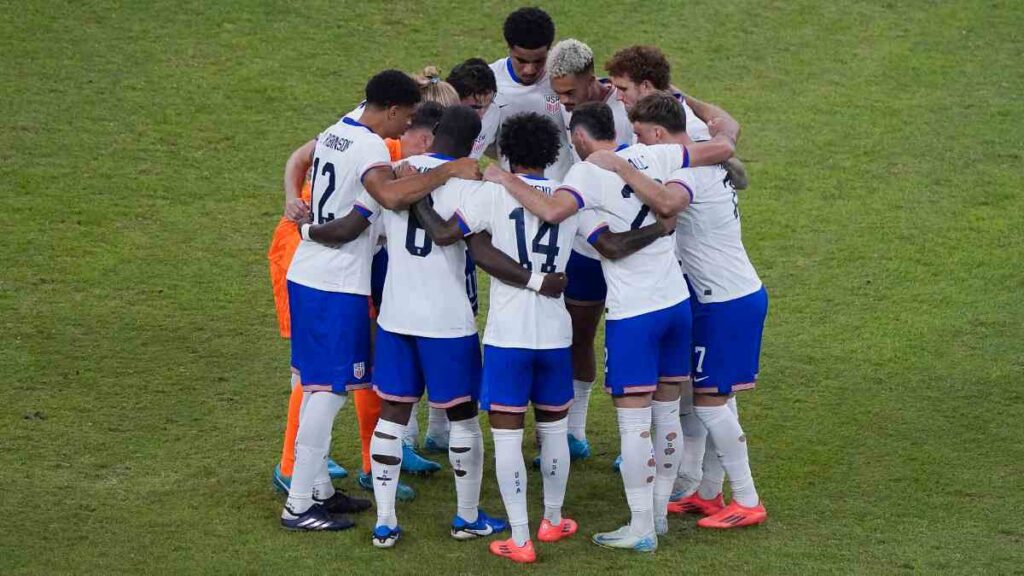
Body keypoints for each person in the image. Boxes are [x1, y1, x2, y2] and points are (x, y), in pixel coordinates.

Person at [483, 102, 738, 551]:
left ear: (579, 139)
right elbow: (720, 148)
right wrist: (661, 227)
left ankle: (641, 527)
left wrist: (505, 179)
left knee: (634, 424)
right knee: (666, 414)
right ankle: (659, 515)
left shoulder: (584, 175)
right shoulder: (655, 154)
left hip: (634, 315)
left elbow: (556, 213)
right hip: (676, 304)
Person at [279, 70, 479, 531]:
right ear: (391, 109)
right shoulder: (370, 147)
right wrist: (446, 169)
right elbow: (386, 198)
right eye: (406, 117)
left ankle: (319, 490)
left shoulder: (338, 129)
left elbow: (303, 161)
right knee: (327, 392)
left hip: (309, 276)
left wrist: (301, 220)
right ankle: (299, 505)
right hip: (335, 283)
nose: (406, 127)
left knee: (314, 385)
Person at [628, 92, 768, 528]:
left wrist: (619, 169)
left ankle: (748, 500)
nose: (637, 146)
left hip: (725, 302)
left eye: (639, 137)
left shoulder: (688, 172)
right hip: (722, 297)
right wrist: (679, 92)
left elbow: (667, 204)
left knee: (709, 404)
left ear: (657, 134)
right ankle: (709, 493)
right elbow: (727, 123)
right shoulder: (706, 151)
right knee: (714, 396)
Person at [544, 37, 635, 460]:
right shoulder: (559, 108)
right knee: (577, 335)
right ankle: (574, 432)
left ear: (590, 78)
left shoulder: (628, 111)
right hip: (583, 244)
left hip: (631, 248)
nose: (562, 101)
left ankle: (639, 438)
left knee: (631, 340)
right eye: (557, 93)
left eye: (569, 92)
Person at [604, 44, 749, 189]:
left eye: (623, 89)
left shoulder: (687, 126)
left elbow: (731, 170)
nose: (618, 97)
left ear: (646, 86)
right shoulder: (646, 114)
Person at [472, 7, 573, 179]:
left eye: (539, 61)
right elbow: (479, 138)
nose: (529, 70)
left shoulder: (565, 79)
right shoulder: (489, 83)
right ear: (509, 48)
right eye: (521, 60)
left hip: (563, 189)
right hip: (513, 190)